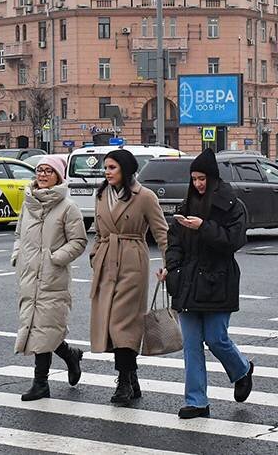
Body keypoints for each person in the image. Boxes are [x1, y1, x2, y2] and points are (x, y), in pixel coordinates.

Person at [160, 148, 254, 419]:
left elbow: (233, 241)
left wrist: (203, 227)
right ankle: (197, 401)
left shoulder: (232, 205)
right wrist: (172, 269)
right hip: (187, 282)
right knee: (190, 345)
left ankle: (242, 370)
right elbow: (174, 242)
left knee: (216, 339)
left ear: (212, 178)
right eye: (194, 179)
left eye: (202, 179)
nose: (198, 184)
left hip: (218, 280)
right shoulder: (186, 205)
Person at [88, 149, 169, 406]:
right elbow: (99, 231)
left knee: (123, 324)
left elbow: (162, 233)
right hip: (105, 263)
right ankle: (132, 378)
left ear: (125, 169)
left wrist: (170, 264)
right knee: (110, 324)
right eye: (106, 168)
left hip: (133, 262)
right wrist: (94, 255)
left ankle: (123, 381)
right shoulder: (101, 193)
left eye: (112, 167)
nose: (107, 172)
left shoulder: (144, 196)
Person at [11, 155, 87, 401]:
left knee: (44, 328)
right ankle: (70, 355)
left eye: (48, 171)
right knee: (38, 327)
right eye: (39, 170)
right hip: (29, 273)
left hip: (53, 276)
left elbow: (79, 241)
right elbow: (18, 234)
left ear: (58, 177)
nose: (42, 175)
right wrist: (17, 255)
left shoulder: (68, 207)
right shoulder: (28, 203)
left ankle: (40, 384)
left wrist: (56, 258)